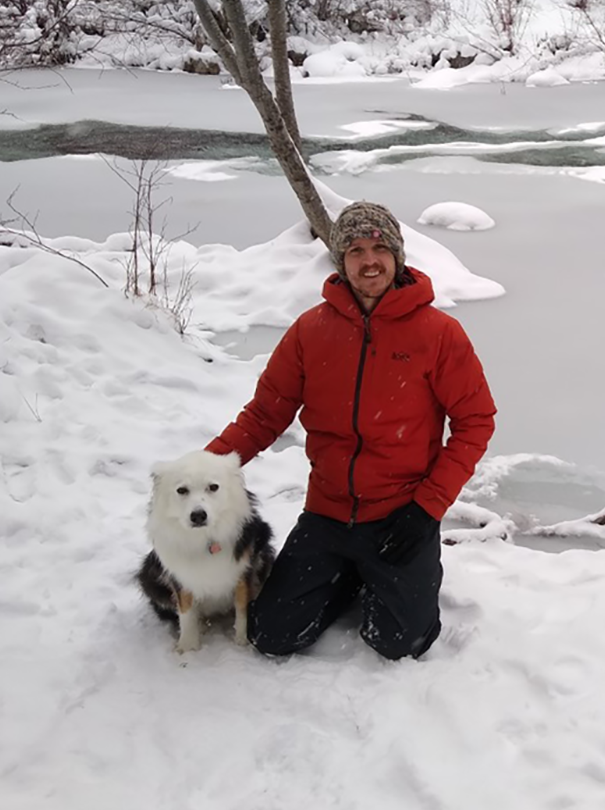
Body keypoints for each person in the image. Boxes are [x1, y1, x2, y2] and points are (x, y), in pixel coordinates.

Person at [205, 200, 496, 660]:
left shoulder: (438, 333)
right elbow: (264, 415)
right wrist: (203, 472)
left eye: (379, 247)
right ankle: (349, 573)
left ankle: (385, 574)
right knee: (272, 635)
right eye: (355, 250)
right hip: (329, 513)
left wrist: (426, 510)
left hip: (402, 516)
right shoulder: (310, 331)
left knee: (400, 643)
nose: (369, 260)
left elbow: (475, 422)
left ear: (398, 256)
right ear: (341, 260)